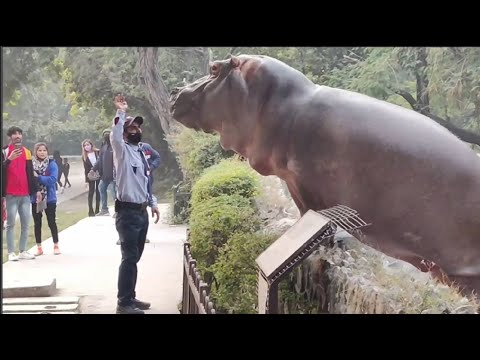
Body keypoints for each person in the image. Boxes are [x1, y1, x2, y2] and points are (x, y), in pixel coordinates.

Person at [111, 94, 160, 314]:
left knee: (134, 258)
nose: (136, 130)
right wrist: (121, 112)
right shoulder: (121, 151)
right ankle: (124, 303)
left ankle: (130, 297)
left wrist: (152, 202)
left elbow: (145, 182)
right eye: (131, 128)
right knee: (129, 258)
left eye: (138, 127)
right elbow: (114, 135)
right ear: (124, 132)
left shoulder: (140, 152)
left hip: (141, 212)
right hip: (128, 214)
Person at [2, 126, 41, 261]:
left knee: (26, 223)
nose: (17, 136)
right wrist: (9, 159)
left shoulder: (27, 152)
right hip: (10, 194)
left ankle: (23, 250)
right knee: (10, 224)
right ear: (9, 137)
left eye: (19, 134)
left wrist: (36, 191)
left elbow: (30, 173)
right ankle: (11, 252)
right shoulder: (4, 151)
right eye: (14, 134)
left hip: (25, 194)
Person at [31, 142, 61, 256]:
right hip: (35, 198)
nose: (42, 152)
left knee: (51, 221)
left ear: (47, 152)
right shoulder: (31, 164)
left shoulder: (52, 164)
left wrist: (38, 177)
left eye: (44, 150)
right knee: (37, 223)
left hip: (50, 198)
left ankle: (56, 244)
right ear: (36, 151)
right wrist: (38, 179)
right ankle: (39, 247)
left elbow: (52, 180)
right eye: (39, 150)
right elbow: (30, 179)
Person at [93, 129, 116, 216]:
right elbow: (99, 159)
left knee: (114, 192)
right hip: (105, 174)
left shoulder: (115, 146)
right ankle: (104, 209)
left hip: (114, 174)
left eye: (108, 134)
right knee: (101, 188)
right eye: (105, 134)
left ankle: (118, 211)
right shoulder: (104, 146)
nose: (106, 136)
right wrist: (93, 169)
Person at [81, 139, 101, 216]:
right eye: (85, 145)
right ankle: (90, 210)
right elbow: (85, 169)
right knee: (91, 192)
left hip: (99, 174)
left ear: (91, 145)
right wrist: (86, 180)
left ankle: (97, 209)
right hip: (90, 175)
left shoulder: (97, 152)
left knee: (98, 191)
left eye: (88, 145)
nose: (87, 147)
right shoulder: (84, 156)